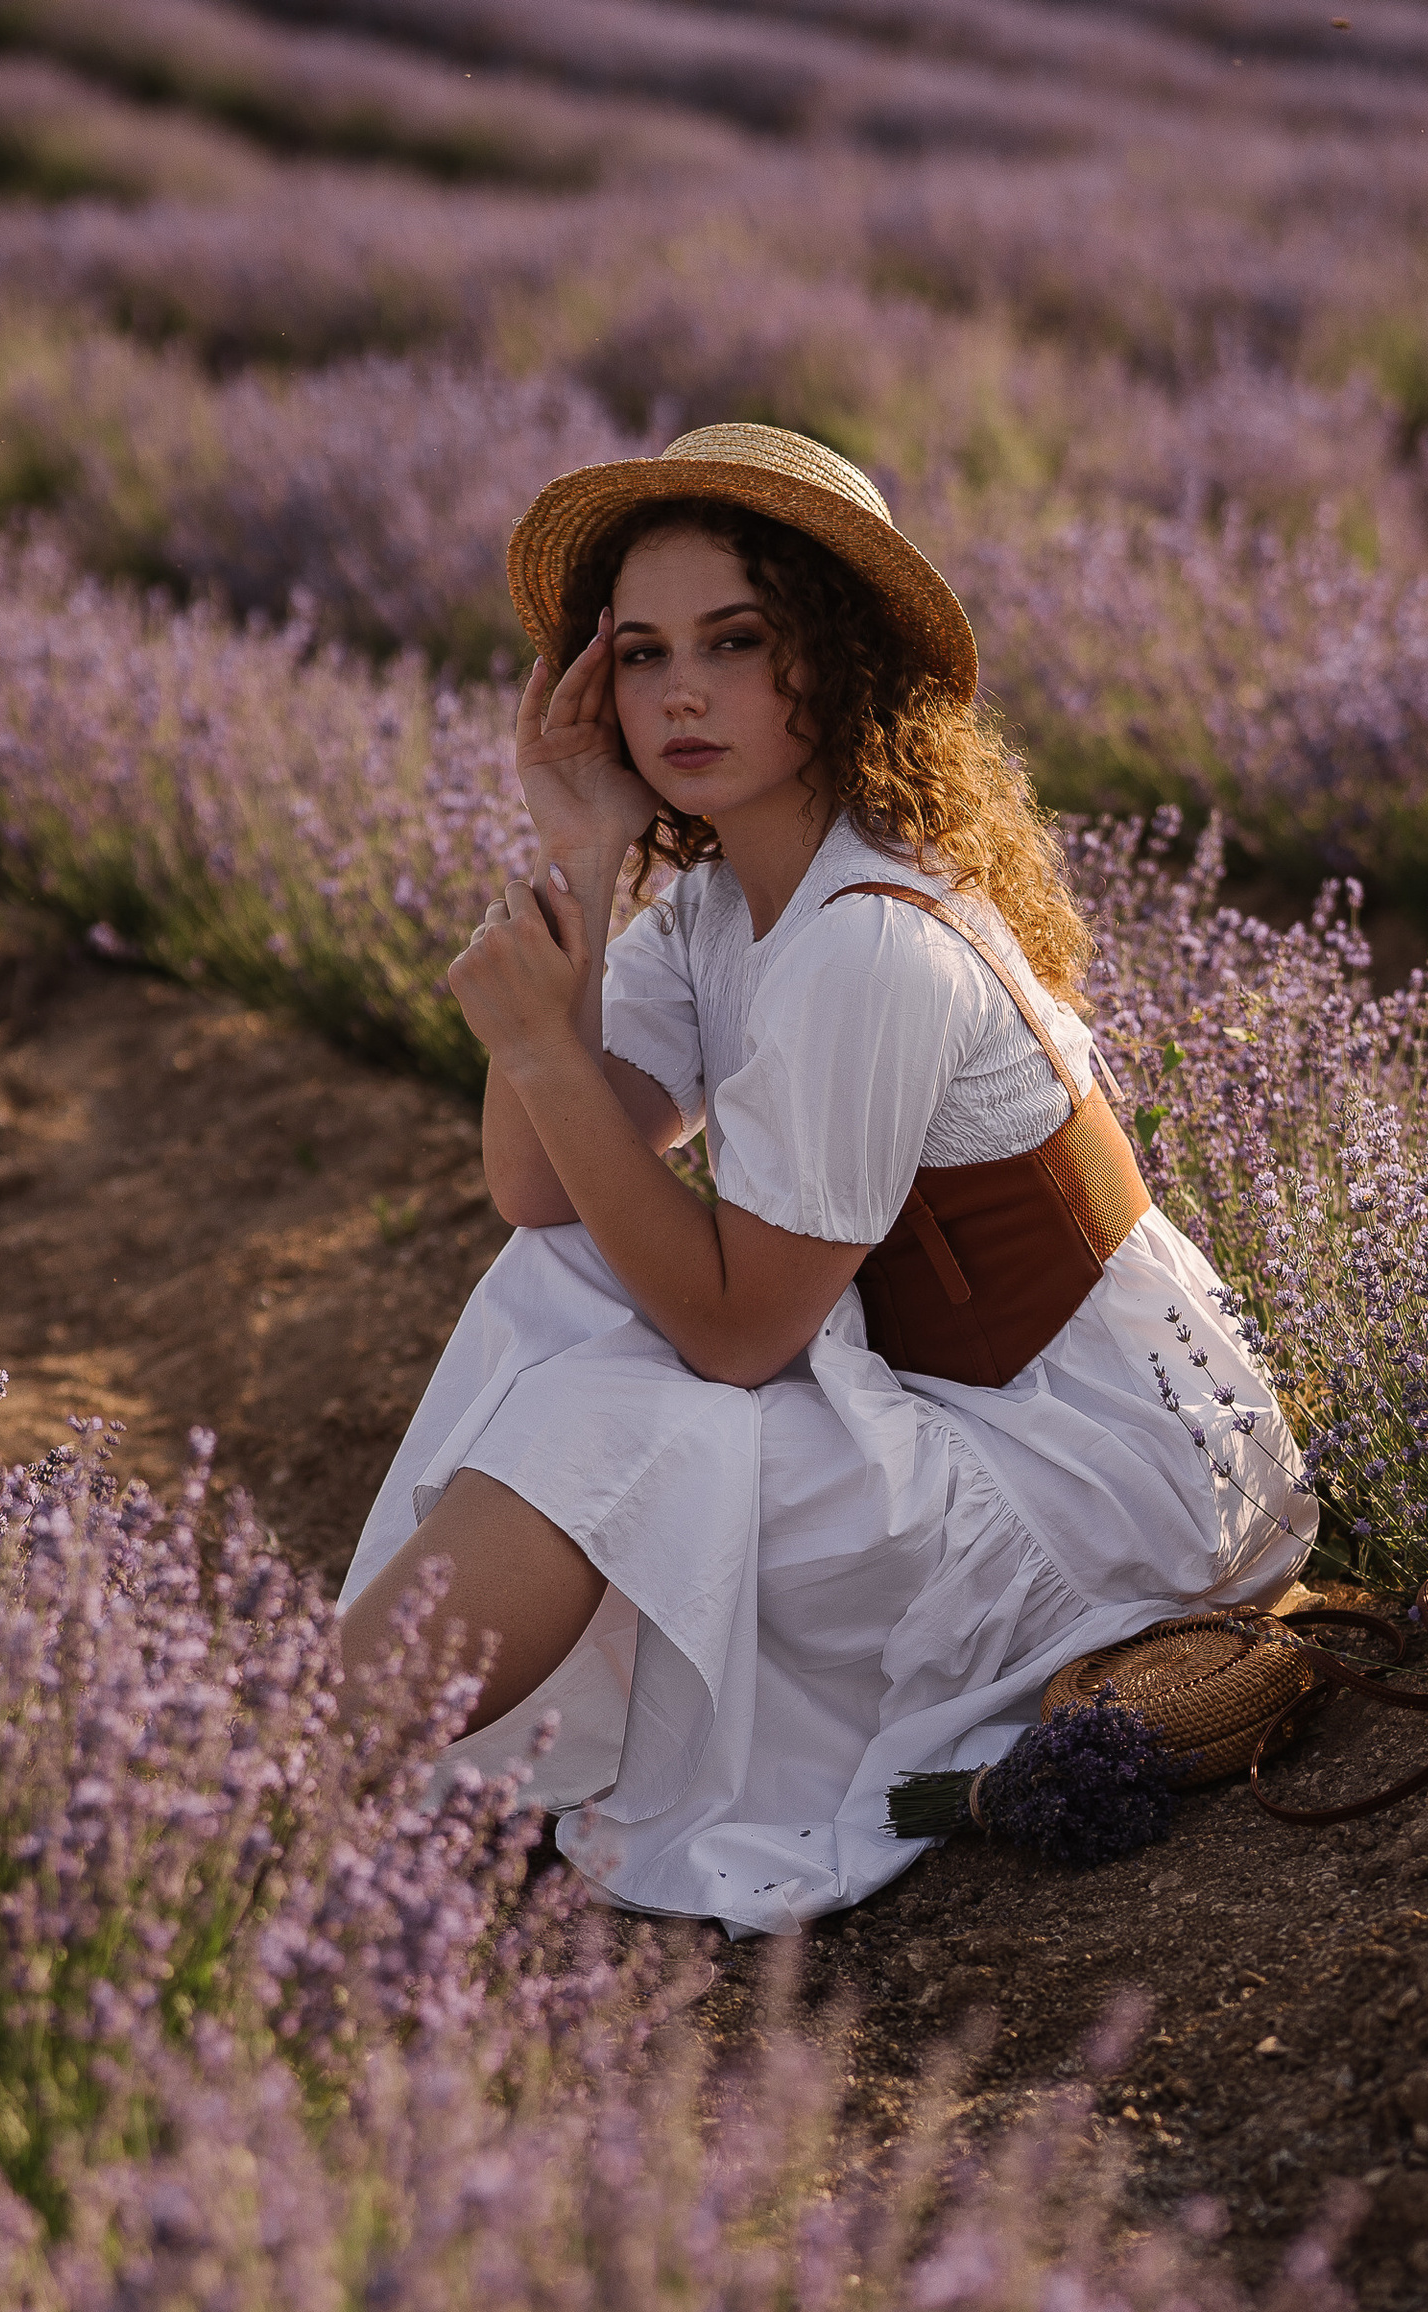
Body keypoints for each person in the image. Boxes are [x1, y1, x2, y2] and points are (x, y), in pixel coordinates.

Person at [339, 422, 1309, 1930]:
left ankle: (278, 1780)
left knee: (615, 1409)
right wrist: (583, 858)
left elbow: (740, 1333)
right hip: (957, 1415)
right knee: (568, 1280)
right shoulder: (730, 903)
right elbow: (539, 1192)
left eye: (735, 641)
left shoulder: (864, 938)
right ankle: (313, 1764)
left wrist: (541, 1046)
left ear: (834, 660)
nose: (680, 692)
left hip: (1097, 1495)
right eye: (643, 654)